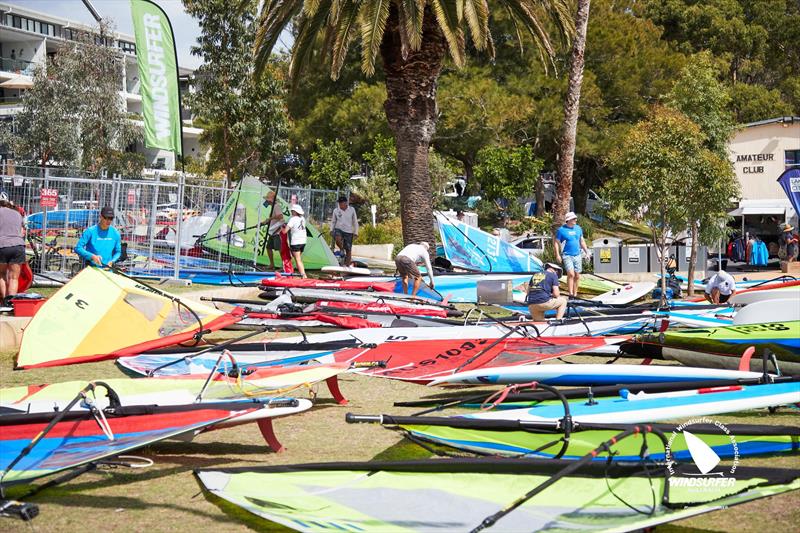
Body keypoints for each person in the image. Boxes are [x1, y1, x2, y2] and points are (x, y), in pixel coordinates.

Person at [555, 211, 589, 297]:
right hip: (567, 255)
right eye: (574, 218)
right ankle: (570, 294)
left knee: (577, 275)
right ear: (568, 220)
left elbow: (582, 241)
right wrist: (557, 255)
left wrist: (587, 252)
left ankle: (575, 293)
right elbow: (556, 242)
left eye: (575, 218)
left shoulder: (578, 228)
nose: (576, 220)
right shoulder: (561, 230)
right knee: (571, 274)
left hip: (577, 254)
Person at [0, 194, 25, 304]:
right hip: (18, 246)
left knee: (1, 274)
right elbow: (21, 232)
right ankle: (10, 303)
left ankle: (3, 302)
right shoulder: (17, 214)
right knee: (13, 277)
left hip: (1, 245)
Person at [263, 191, 290, 272]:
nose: (267, 201)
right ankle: (272, 264)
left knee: (280, 249)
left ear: (270, 200)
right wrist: (266, 221)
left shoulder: (276, 206)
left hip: (277, 232)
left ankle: (284, 265)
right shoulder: (273, 207)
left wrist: (270, 218)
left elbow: (281, 216)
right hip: (272, 231)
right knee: (268, 248)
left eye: (268, 200)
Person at [330, 195, 358, 266]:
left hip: (349, 231)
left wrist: (356, 232)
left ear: (346, 203)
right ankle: (341, 249)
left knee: (348, 250)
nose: (340, 204)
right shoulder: (336, 210)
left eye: (341, 203)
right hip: (339, 229)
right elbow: (333, 221)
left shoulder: (352, 210)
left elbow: (355, 221)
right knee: (337, 239)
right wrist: (331, 229)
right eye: (339, 203)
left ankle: (347, 266)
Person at [282, 204, 307, 278]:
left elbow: (285, 231)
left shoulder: (292, 219)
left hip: (296, 242)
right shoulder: (302, 218)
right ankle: (295, 271)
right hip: (303, 241)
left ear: (295, 212)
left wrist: (281, 228)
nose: (291, 212)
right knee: (297, 258)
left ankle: (303, 276)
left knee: (298, 260)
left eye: (292, 211)